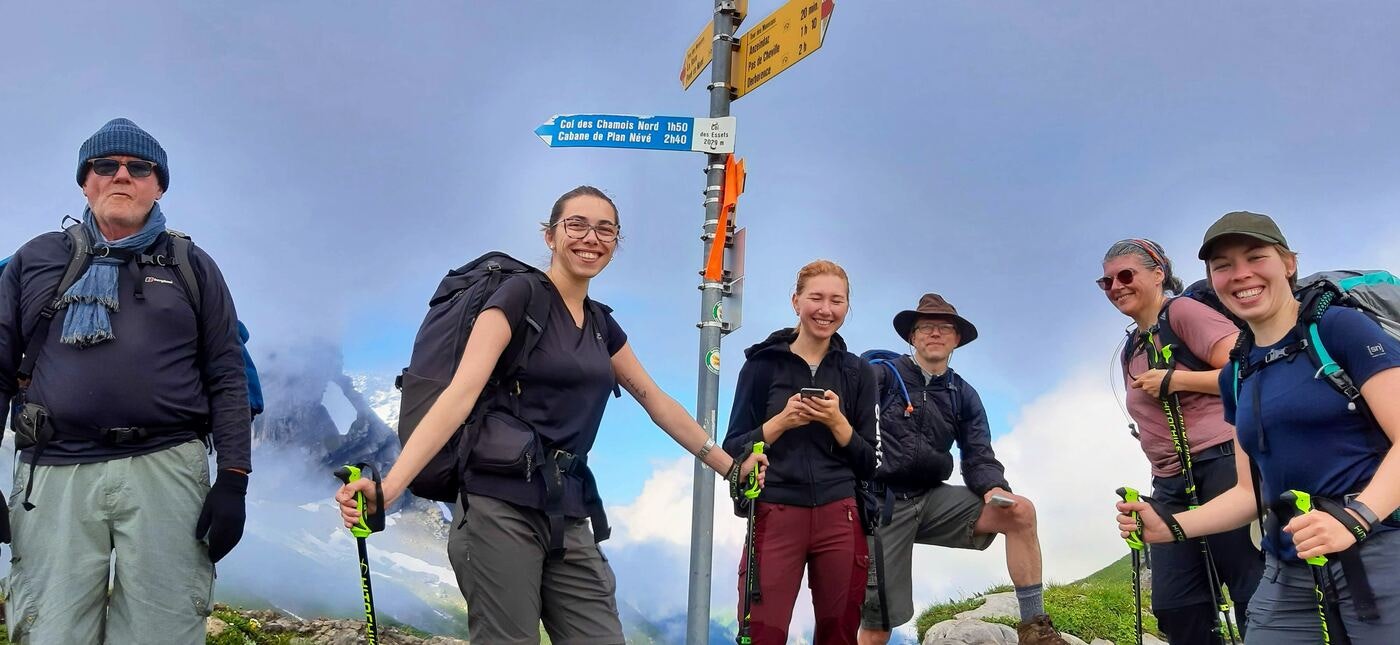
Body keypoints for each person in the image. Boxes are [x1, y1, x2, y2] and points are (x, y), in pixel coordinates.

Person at [336, 185, 766, 644]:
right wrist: (391, 487)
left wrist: (730, 468)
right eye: (576, 224)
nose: (591, 238)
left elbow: (656, 401)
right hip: (497, 504)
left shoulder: (601, 324)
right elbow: (461, 393)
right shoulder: (517, 297)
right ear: (550, 236)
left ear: (616, 243)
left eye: (606, 229)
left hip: (568, 510)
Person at [0, 118, 252, 643]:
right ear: (84, 181)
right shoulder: (35, 259)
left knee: (163, 630)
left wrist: (233, 478)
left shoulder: (192, 265)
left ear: (158, 184)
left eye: (139, 167)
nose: (122, 176)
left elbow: (226, 374)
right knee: (50, 629)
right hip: (55, 469)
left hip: (168, 467)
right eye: (105, 166)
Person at [1117, 211, 1400, 642]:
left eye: (1255, 257)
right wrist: (1171, 527)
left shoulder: (1339, 330)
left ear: (1287, 263)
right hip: (1288, 565)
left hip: (1380, 551)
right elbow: (1251, 493)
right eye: (1223, 266)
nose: (1240, 274)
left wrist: (1355, 518)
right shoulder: (1238, 371)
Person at [857, 293, 1070, 645]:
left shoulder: (961, 394)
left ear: (957, 339)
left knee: (1020, 513)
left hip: (931, 499)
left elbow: (978, 454)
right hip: (882, 504)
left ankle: (1036, 630)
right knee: (880, 621)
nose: (935, 333)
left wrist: (993, 487)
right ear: (912, 336)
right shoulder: (879, 378)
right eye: (926, 326)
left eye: (945, 327)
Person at [1101, 239, 1261, 644]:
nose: (1116, 286)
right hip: (1170, 481)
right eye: (1106, 281)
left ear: (1158, 273)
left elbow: (1247, 369)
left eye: (1126, 275)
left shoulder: (1184, 312)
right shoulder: (1132, 347)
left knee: (1251, 590)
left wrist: (1177, 379)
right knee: (1176, 605)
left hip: (1225, 462)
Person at [721, 259, 879, 644]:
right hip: (775, 511)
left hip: (840, 513)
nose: (826, 310)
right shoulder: (761, 366)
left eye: (837, 301)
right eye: (816, 298)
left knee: (838, 633)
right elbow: (731, 450)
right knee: (762, 632)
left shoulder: (859, 372)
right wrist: (781, 422)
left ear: (847, 307)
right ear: (796, 302)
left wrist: (837, 422)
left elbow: (870, 462)